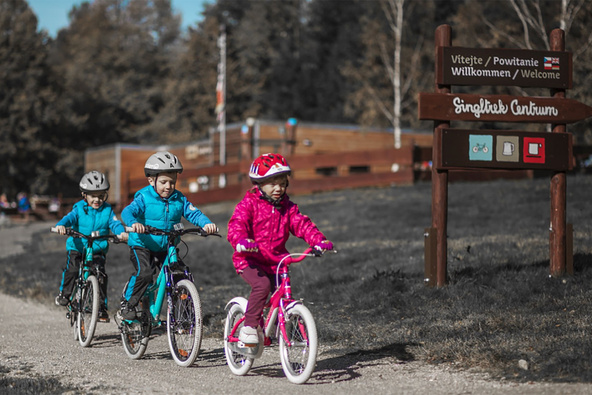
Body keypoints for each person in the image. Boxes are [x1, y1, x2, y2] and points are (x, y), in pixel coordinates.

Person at [227, 153, 333, 346]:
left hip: (277, 261)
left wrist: (318, 240)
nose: (278, 188)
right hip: (250, 259)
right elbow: (237, 224)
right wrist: (241, 240)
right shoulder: (249, 204)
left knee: (283, 292)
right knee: (262, 286)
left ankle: (275, 327)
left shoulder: (288, 208)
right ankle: (250, 327)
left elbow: (302, 224)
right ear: (259, 183)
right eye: (272, 183)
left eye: (283, 183)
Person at [118, 151, 218, 320]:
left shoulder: (179, 198)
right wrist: (133, 223)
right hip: (142, 244)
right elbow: (128, 211)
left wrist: (206, 224)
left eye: (172, 182)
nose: (168, 186)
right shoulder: (143, 197)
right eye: (163, 182)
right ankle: (127, 303)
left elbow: (194, 214)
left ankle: (184, 317)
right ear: (151, 180)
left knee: (181, 274)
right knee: (145, 274)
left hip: (167, 245)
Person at [54, 171, 127, 322]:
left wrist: (120, 233)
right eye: (93, 196)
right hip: (78, 246)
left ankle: (101, 308)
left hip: (97, 249)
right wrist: (61, 225)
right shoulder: (79, 209)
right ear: (84, 195)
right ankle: (65, 294)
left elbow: (115, 223)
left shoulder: (107, 210)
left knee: (100, 275)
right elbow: (69, 218)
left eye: (101, 196)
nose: (97, 199)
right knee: (72, 269)